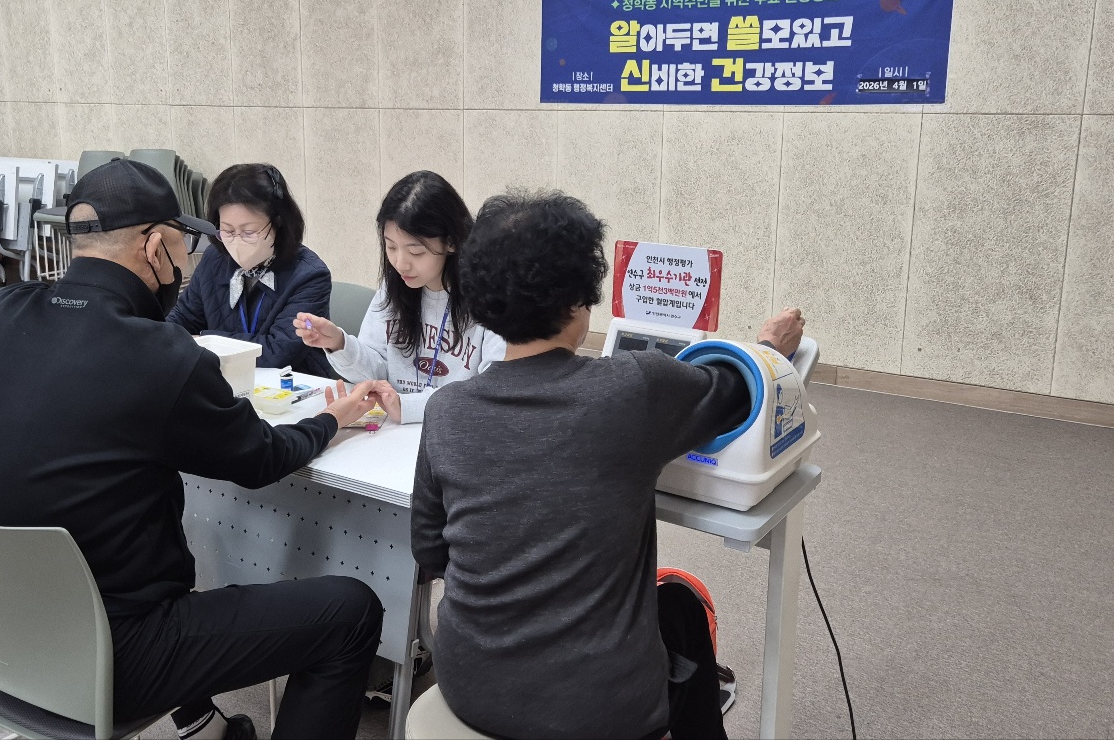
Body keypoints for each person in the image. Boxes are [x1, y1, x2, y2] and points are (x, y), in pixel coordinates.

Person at [0, 159, 388, 740]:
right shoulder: (158, 356)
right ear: (156, 245)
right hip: (114, 653)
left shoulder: (0, 312)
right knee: (351, 611)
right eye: (187, 243)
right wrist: (329, 420)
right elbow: (258, 460)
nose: (193, 259)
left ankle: (204, 724)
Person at [411, 189, 805, 740]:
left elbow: (431, 551)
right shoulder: (631, 388)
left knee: (678, 611)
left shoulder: (445, 410)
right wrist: (772, 345)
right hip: (596, 708)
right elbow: (738, 389)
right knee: (681, 607)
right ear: (579, 299)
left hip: (470, 681)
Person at [292, 171, 506, 424]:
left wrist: (409, 407)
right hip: (392, 433)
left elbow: (493, 391)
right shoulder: (395, 288)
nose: (400, 263)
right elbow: (376, 372)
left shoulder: (488, 296)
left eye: (415, 251)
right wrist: (339, 343)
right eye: (391, 247)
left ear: (451, 242)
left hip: (456, 432)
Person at [168, 163, 336, 378]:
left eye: (248, 232)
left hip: (293, 389)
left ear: (278, 223)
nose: (236, 242)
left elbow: (278, 352)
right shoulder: (215, 259)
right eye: (227, 231)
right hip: (226, 383)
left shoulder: (310, 275)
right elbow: (179, 323)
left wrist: (203, 340)